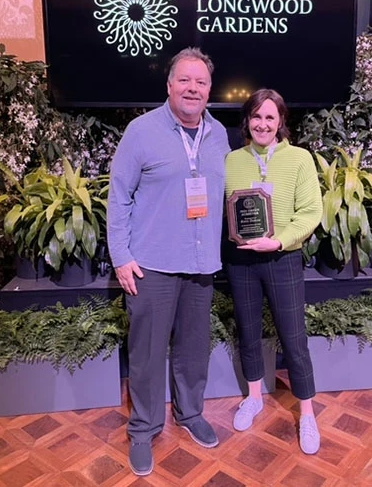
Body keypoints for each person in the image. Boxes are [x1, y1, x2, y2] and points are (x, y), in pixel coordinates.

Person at [108, 47, 231, 476]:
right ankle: (143, 429)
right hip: (152, 265)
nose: (192, 88)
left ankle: (190, 412)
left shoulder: (219, 135)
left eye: (200, 82)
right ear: (169, 85)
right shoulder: (141, 132)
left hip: (201, 264)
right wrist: (121, 257)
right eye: (184, 80)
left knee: (194, 348)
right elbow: (119, 197)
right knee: (146, 352)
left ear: (209, 90)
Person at [224, 88, 323, 454]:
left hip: (283, 259)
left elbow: (311, 213)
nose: (263, 124)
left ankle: (308, 413)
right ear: (247, 121)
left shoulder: (299, 159)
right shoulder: (232, 160)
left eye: (270, 117)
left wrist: (279, 241)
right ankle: (254, 397)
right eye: (256, 116)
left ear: (281, 121)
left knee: (294, 340)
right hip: (242, 261)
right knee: (248, 333)